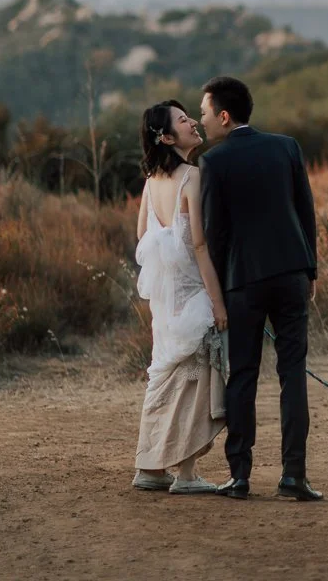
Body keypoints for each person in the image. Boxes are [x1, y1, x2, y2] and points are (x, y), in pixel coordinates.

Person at [198, 75, 322, 501]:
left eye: (205, 112)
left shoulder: (213, 163)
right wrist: (310, 271)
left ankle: (240, 476)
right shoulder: (286, 146)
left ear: (225, 116)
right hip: (291, 275)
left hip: (242, 282)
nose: (202, 121)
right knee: (293, 376)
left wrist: (217, 291)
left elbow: (215, 235)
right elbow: (306, 212)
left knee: (243, 376)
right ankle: (294, 476)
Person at [131, 99, 227, 495]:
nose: (192, 123)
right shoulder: (192, 176)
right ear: (168, 137)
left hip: (165, 303)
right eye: (184, 121)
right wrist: (218, 303)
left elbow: (143, 237)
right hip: (193, 294)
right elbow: (201, 246)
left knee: (164, 377)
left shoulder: (151, 183)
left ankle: (149, 467)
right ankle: (186, 475)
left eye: (191, 117)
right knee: (197, 381)